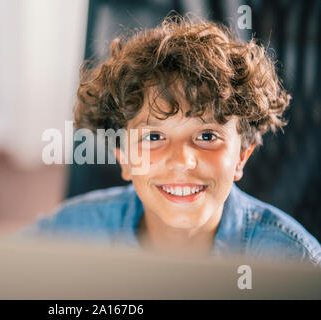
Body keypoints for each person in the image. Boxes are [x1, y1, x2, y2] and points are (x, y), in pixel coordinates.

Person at [19, 15, 321, 266]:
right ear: (124, 158)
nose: (181, 160)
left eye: (206, 136)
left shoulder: (291, 261)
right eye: (153, 136)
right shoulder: (69, 234)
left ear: (241, 157)